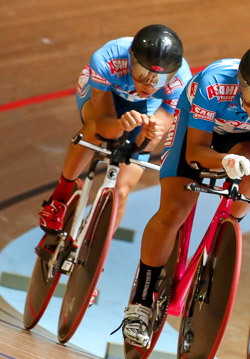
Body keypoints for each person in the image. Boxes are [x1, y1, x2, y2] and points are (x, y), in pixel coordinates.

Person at [120, 42, 250, 348]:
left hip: (245, 137)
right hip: (198, 131)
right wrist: (224, 161)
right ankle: (141, 301)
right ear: (241, 86)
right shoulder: (214, 85)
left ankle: (225, 232)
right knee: (174, 209)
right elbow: (195, 153)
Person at [38, 24, 192, 233]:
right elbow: (103, 125)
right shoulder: (107, 60)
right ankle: (60, 197)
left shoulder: (181, 82)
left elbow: (145, 147)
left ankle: (95, 249)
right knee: (94, 131)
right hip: (107, 95)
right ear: (131, 61)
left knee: (122, 189)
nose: (148, 85)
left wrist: (146, 136)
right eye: (141, 73)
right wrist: (120, 124)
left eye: (158, 79)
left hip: (146, 108)